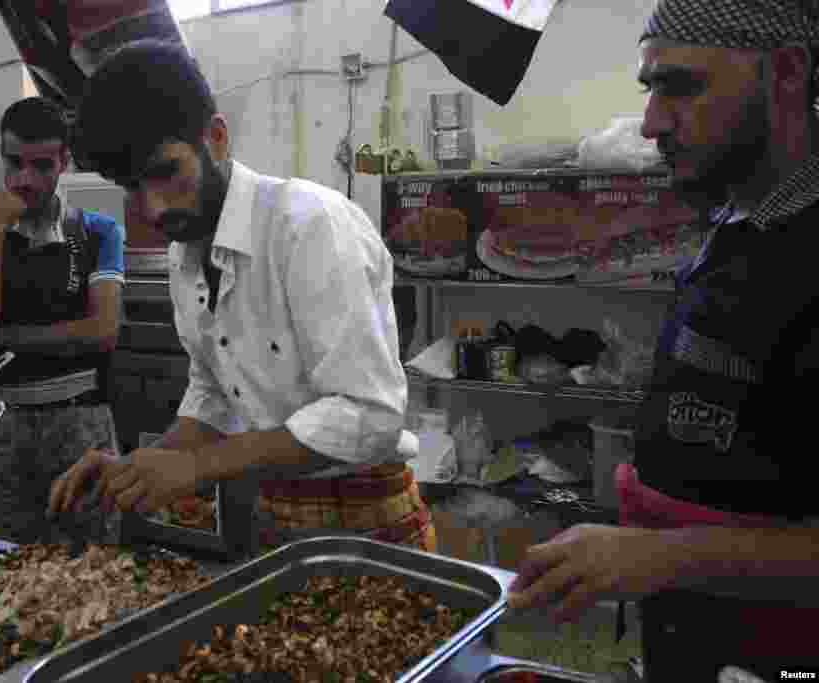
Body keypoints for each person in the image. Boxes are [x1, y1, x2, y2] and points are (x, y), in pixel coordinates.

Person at [506, 1, 819, 680]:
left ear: (788, 73)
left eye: (682, 86)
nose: (650, 124)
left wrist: (661, 555)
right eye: (651, 89)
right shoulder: (734, 223)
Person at [48, 39, 436, 553]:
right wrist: (139, 467)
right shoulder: (184, 253)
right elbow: (213, 393)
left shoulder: (309, 226)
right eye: (132, 188)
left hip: (365, 516)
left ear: (216, 137)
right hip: (269, 515)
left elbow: (370, 416)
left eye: (167, 173)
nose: (155, 208)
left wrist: (196, 465)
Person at [0, 96, 125, 544]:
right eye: (15, 163)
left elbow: (102, 333)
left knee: (95, 559)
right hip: (0, 422)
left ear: (64, 161)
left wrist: (7, 337)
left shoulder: (99, 232)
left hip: (81, 418)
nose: (25, 180)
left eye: (42, 165)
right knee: (5, 558)